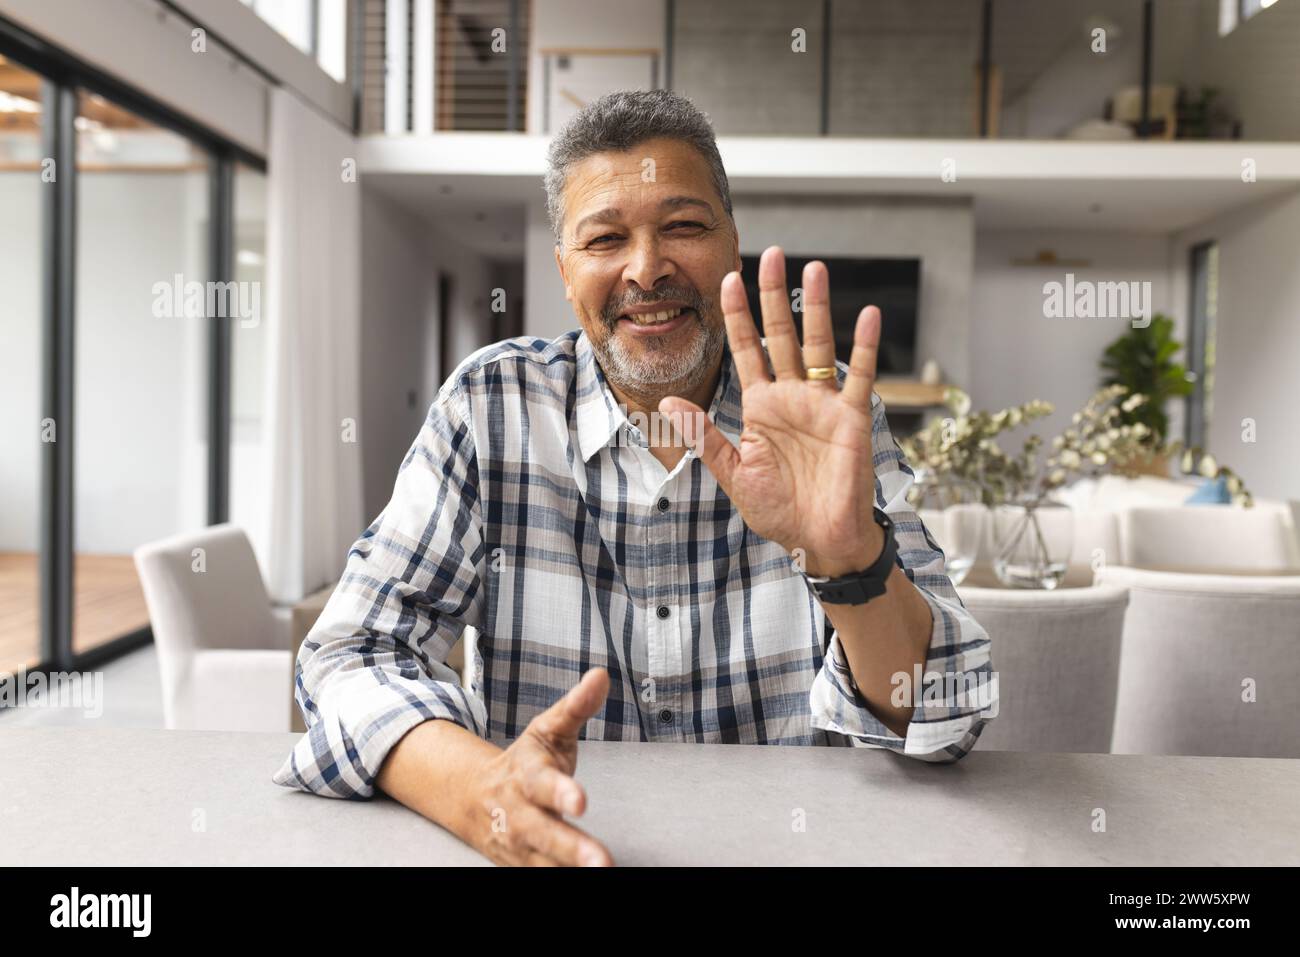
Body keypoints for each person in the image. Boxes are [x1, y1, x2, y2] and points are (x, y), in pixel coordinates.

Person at [273, 89, 996, 866]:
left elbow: (943, 719)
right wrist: (478, 789)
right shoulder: (493, 407)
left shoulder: (825, 423)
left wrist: (851, 561)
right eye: (605, 237)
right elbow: (351, 655)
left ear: (731, 247)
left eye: (683, 226)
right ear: (564, 269)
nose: (646, 268)